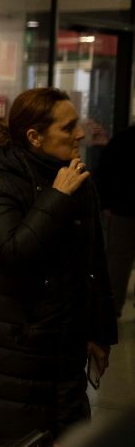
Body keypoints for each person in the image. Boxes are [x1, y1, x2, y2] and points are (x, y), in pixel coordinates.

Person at [0, 87, 117, 447]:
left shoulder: (75, 179)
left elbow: (93, 262)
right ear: (35, 136)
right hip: (12, 353)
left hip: (63, 351)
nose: (79, 134)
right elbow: (10, 252)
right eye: (68, 127)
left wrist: (100, 331)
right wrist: (56, 198)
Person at [97, 124, 135, 318]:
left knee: (118, 260)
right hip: (122, 208)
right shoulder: (123, 139)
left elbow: (104, 171)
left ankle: (111, 308)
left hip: (122, 209)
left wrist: (106, 204)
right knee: (118, 260)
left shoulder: (122, 138)